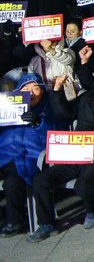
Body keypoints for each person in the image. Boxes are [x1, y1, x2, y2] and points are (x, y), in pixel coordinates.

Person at [27, 64, 94, 240]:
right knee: (41, 180)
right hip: (75, 152)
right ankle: (46, 223)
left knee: (83, 184)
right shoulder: (87, 98)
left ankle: (93, 211)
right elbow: (64, 114)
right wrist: (57, 90)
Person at [0, 74, 51, 236]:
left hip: (30, 157)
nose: (30, 93)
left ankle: (14, 221)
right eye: (25, 89)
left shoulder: (47, 109)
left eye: (35, 88)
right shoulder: (7, 108)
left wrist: (38, 123)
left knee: (12, 182)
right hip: (5, 155)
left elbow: (56, 133)